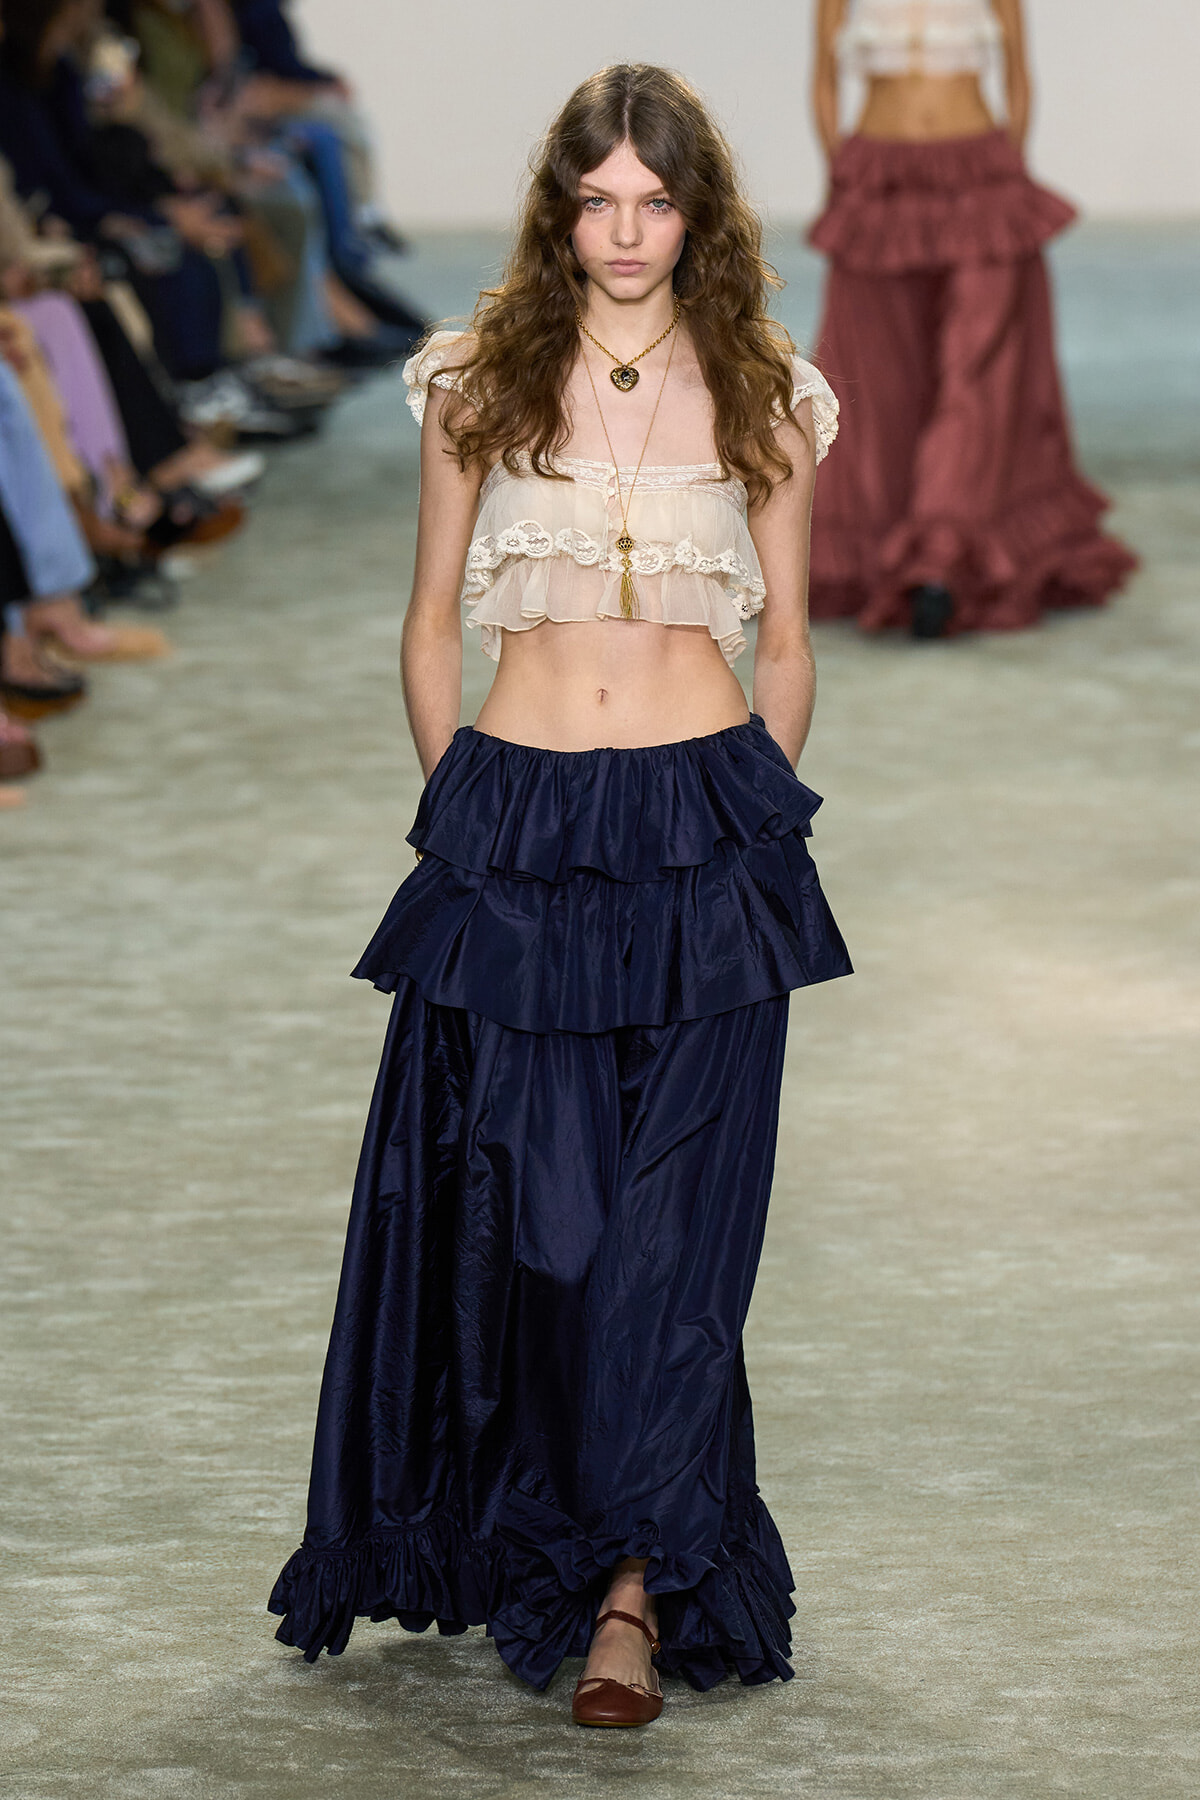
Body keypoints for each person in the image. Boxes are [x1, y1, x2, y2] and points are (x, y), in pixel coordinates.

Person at [269, 64, 851, 1727]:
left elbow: (789, 638)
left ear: (698, 218)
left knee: (678, 1239)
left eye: (653, 202)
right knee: (553, 1224)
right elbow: (431, 616)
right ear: (557, 212)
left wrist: (764, 823)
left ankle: (630, 1599)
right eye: (595, 200)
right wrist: (458, 802)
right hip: (514, 822)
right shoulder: (474, 383)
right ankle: (560, 1532)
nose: (622, 232)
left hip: (707, 829)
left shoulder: (768, 396)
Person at [807, 0, 1136, 637]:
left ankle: (941, 559)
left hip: (981, 175)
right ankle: (901, 548)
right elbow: (823, 76)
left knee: (977, 371)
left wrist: (1009, 168)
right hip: (879, 177)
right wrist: (839, 173)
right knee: (880, 375)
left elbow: (1017, 70)